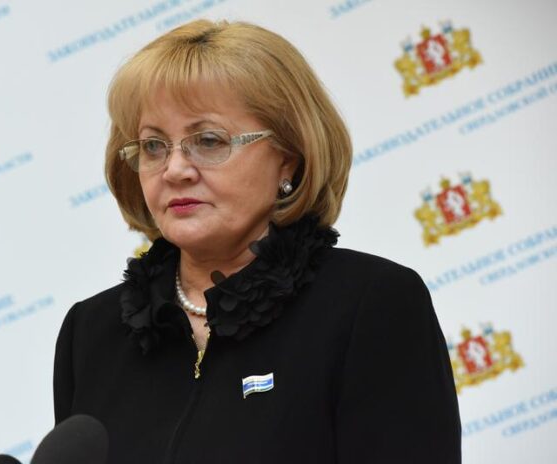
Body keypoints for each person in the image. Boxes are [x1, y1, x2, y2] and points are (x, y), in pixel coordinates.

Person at [53, 19, 461, 463]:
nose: (174, 170)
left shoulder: (370, 304)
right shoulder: (91, 333)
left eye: (208, 140)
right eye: (153, 146)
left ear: (289, 157)